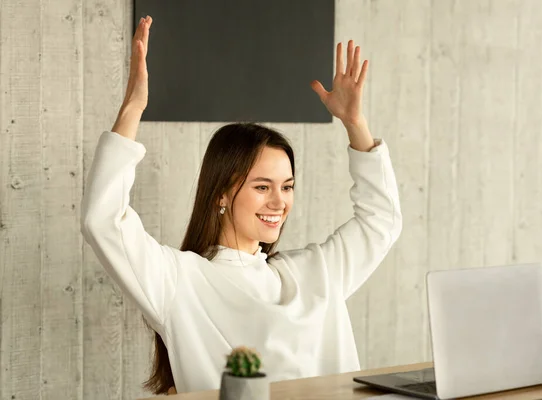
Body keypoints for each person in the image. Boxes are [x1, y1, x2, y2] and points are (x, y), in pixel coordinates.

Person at [80, 15, 402, 395]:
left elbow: (382, 221)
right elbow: (102, 220)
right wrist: (133, 108)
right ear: (221, 193)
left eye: (288, 186)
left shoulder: (315, 272)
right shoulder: (180, 281)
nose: (279, 202)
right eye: (262, 186)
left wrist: (355, 123)